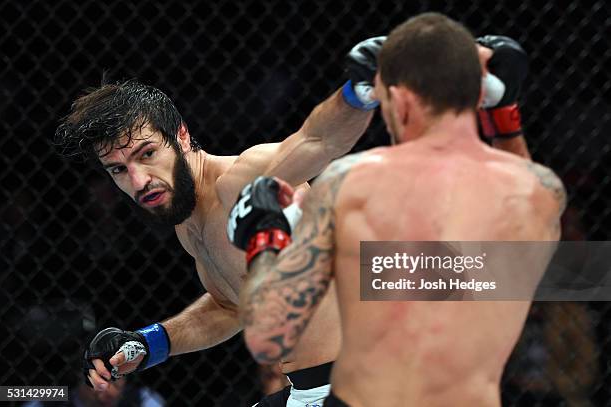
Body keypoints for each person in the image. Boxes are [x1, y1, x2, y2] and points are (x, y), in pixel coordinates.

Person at [228, 13, 565, 407]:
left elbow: (269, 335)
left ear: (401, 101)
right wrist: (502, 109)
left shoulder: (353, 186)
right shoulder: (537, 192)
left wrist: (265, 238)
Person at [55, 36, 383, 407]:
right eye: (118, 170)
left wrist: (359, 91)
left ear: (180, 135)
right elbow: (230, 308)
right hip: (313, 389)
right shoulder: (190, 226)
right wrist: (147, 343)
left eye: (146, 153)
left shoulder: (242, 179)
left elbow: (319, 140)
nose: (138, 180)